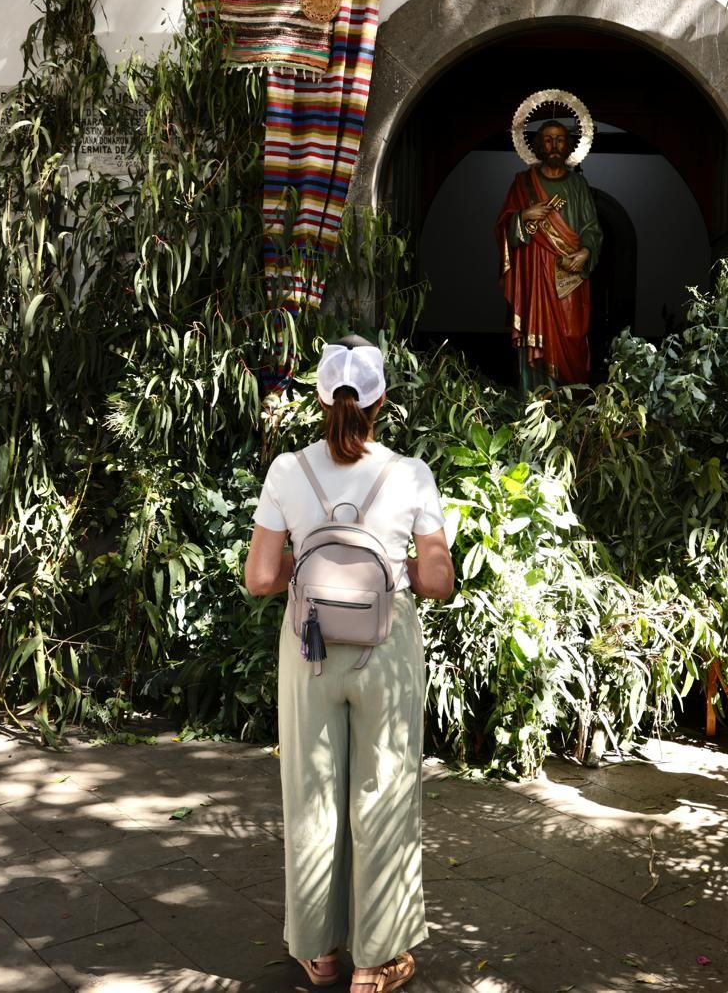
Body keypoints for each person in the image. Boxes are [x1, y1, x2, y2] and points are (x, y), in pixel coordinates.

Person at [244, 339, 455, 993]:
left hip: (307, 650)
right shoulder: (411, 473)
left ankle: (319, 953)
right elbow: (438, 581)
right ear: (381, 400)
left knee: (312, 798)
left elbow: (258, 578)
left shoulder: (287, 470)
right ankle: (377, 960)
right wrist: (398, 574)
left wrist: (311, 577)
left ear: (319, 398)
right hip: (385, 651)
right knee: (384, 797)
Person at [496, 119, 603, 388]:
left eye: (560, 139)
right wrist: (523, 216)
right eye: (548, 139)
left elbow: (592, 227)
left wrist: (586, 251)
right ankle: (535, 403)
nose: (554, 145)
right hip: (535, 277)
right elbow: (503, 226)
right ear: (538, 145)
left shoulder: (578, 185)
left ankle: (569, 409)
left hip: (569, 277)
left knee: (571, 336)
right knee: (537, 334)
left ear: (568, 145)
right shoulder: (522, 183)